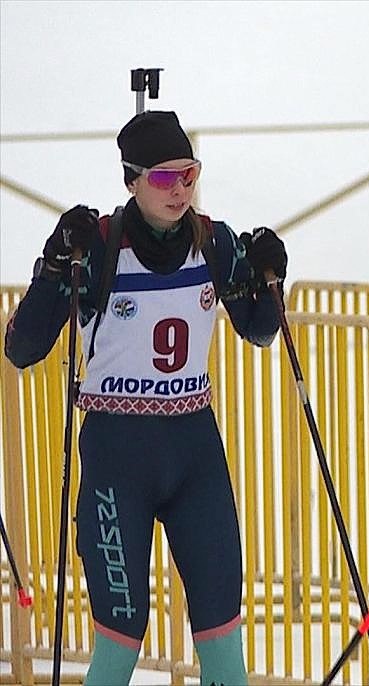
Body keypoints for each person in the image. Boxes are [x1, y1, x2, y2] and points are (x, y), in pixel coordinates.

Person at [4, 110, 287, 686]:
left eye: (188, 174)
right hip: (118, 458)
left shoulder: (214, 242)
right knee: (120, 641)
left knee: (223, 640)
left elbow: (259, 330)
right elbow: (23, 348)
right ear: (131, 180)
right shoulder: (98, 248)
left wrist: (272, 275)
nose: (179, 189)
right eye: (162, 178)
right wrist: (54, 265)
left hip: (195, 453)